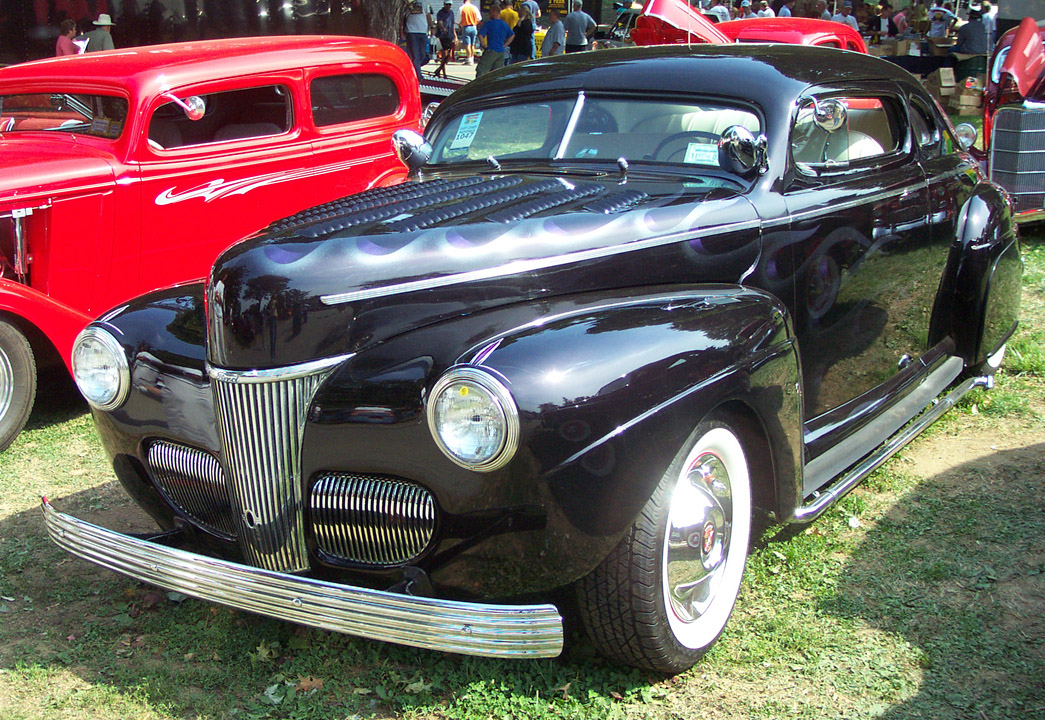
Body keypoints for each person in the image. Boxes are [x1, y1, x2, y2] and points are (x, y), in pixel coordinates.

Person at [476, 4, 513, 76]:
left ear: (494, 12)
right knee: (497, 73)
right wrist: (505, 45)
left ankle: (479, 86)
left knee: (482, 70)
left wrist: (483, 45)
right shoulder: (504, 24)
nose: (489, 14)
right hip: (501, 51)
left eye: (490, 12)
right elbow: (512, 35)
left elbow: (480, 35)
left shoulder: (489, 23)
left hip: (491, 50)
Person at [404, 1, 430, 79]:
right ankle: (418, 76)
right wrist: (402, 31)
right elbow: (403, 17)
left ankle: (413, 70)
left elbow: (428, 15)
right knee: (415, 55)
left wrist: (431, 27)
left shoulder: (424, 2)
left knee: (422, 55)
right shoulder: (407, 3)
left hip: (422, 31)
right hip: (411, 31)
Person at [434, 1, 457, 77]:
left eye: (449, 4)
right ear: (444, 4)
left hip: (449, 36)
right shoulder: (440, 13)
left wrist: (455, 36)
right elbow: (439, 22)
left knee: (449, 56)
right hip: (442, 36)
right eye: (447, 4)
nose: (448, 6)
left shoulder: (451, 13)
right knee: (444, 55)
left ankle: (439, 70)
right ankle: (444, 73)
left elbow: (452, 25)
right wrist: (443, 28)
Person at [459, 0, 481, 65]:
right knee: (472, 44)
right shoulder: (474, 8)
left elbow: (457, 20)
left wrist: (460, 25)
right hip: (474, 27)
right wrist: (475, 23)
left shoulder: (462, 8)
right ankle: (472, 58)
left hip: (466, 27)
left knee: (467, 44)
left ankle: (469, 59)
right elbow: (479, 19)